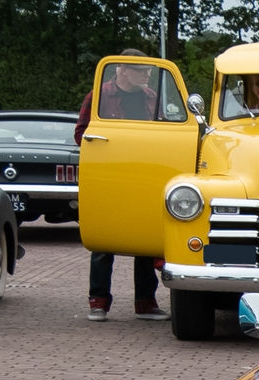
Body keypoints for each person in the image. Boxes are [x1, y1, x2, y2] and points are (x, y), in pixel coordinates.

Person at [74, 50, 168, 322]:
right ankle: (98, 302)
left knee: (146, 240)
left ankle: (146, 303)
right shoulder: (98, 96)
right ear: (122, 71)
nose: (147, 76)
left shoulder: (152, 97)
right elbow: (82, 133)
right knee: (104, 238)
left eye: (148, 71)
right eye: (141, 71)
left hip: (144, 176)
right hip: (109, 176)